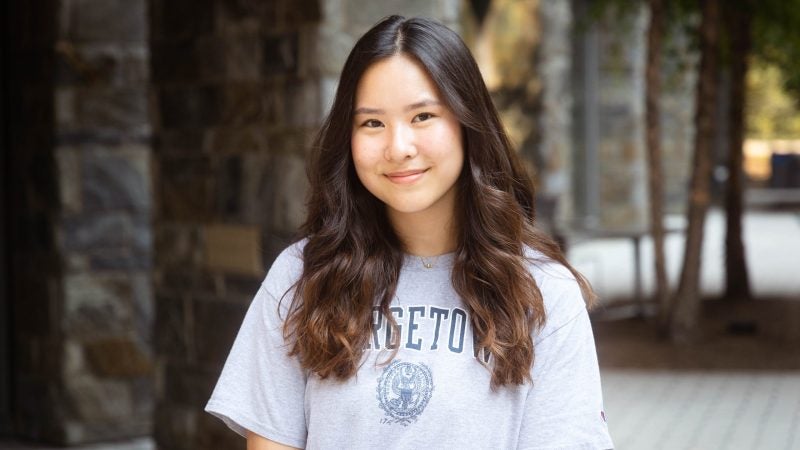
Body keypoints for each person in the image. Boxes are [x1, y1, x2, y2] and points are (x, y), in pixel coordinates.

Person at [206, 15, 614, 450]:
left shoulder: (543, 291)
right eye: (372, 124)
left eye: (423, 116)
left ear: (467, 122)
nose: (399, 147)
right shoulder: (302, 278)